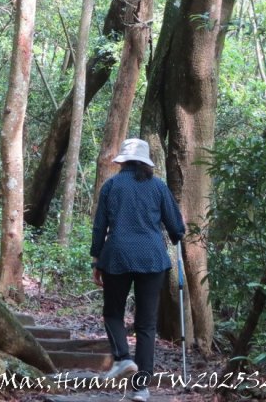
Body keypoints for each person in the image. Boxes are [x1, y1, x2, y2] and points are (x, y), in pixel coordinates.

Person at [91, 138, 185, 402]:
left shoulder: (112, 186)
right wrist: (179, 227)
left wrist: (96, 260)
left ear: (123, 161)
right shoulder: (158, 187)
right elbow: (176, 229)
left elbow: (100, 227)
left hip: (117, 257)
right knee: (146, 324)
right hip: (152, 260)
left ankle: (122, 357)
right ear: (146, 162)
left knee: (112, 313)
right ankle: (141, 388)